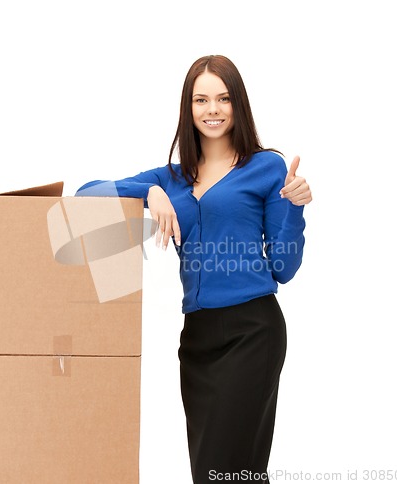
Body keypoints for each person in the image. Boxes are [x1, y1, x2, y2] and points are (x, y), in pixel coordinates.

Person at [76, 54, 312, 484]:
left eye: (223, 98)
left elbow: (284, 267)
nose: (213, 110)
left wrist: (293, 209)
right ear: (188, 109)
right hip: (197, 339)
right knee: (214, 473)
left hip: (252, 332)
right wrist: (149, 193)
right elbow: (86, 195)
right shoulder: (171, 178)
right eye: (201, 100)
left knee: (228, 471)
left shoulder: (267, 168)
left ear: (238, 104)